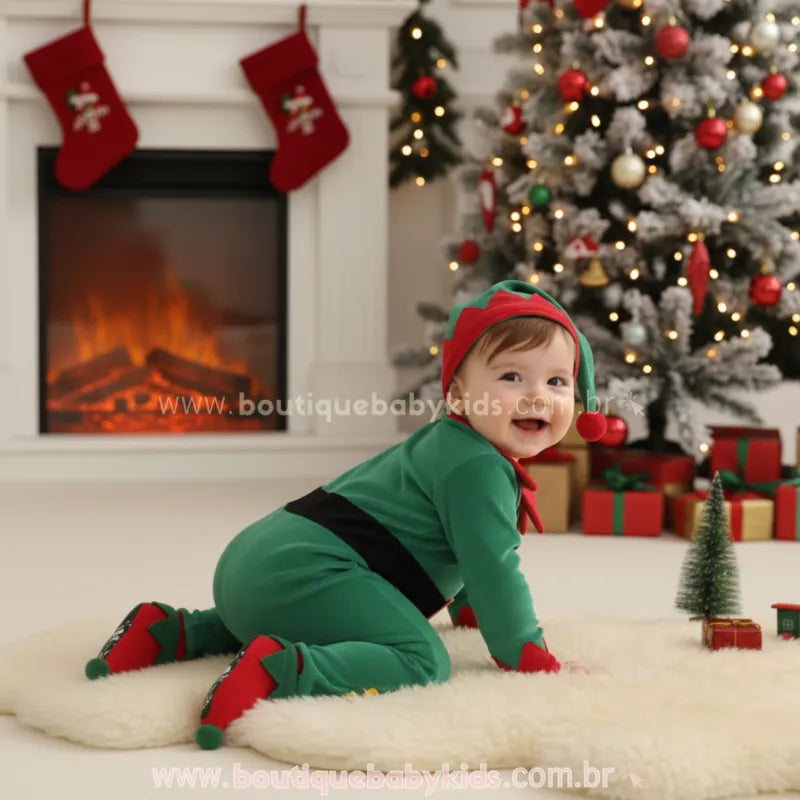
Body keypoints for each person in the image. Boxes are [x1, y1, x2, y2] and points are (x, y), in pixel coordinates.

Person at [84, 280, 607, 750]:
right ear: (458, 393)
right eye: (512, 376)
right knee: (422, 660)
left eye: (558, 382)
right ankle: (279, 669)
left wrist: (466, 614)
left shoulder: (447, 444)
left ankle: (172, 632)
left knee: (314, 608)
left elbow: (464, 553)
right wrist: (528, 654)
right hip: (302, 569)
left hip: (255, 564)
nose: (538, 395)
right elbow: (492, 568)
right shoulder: (478, 468)